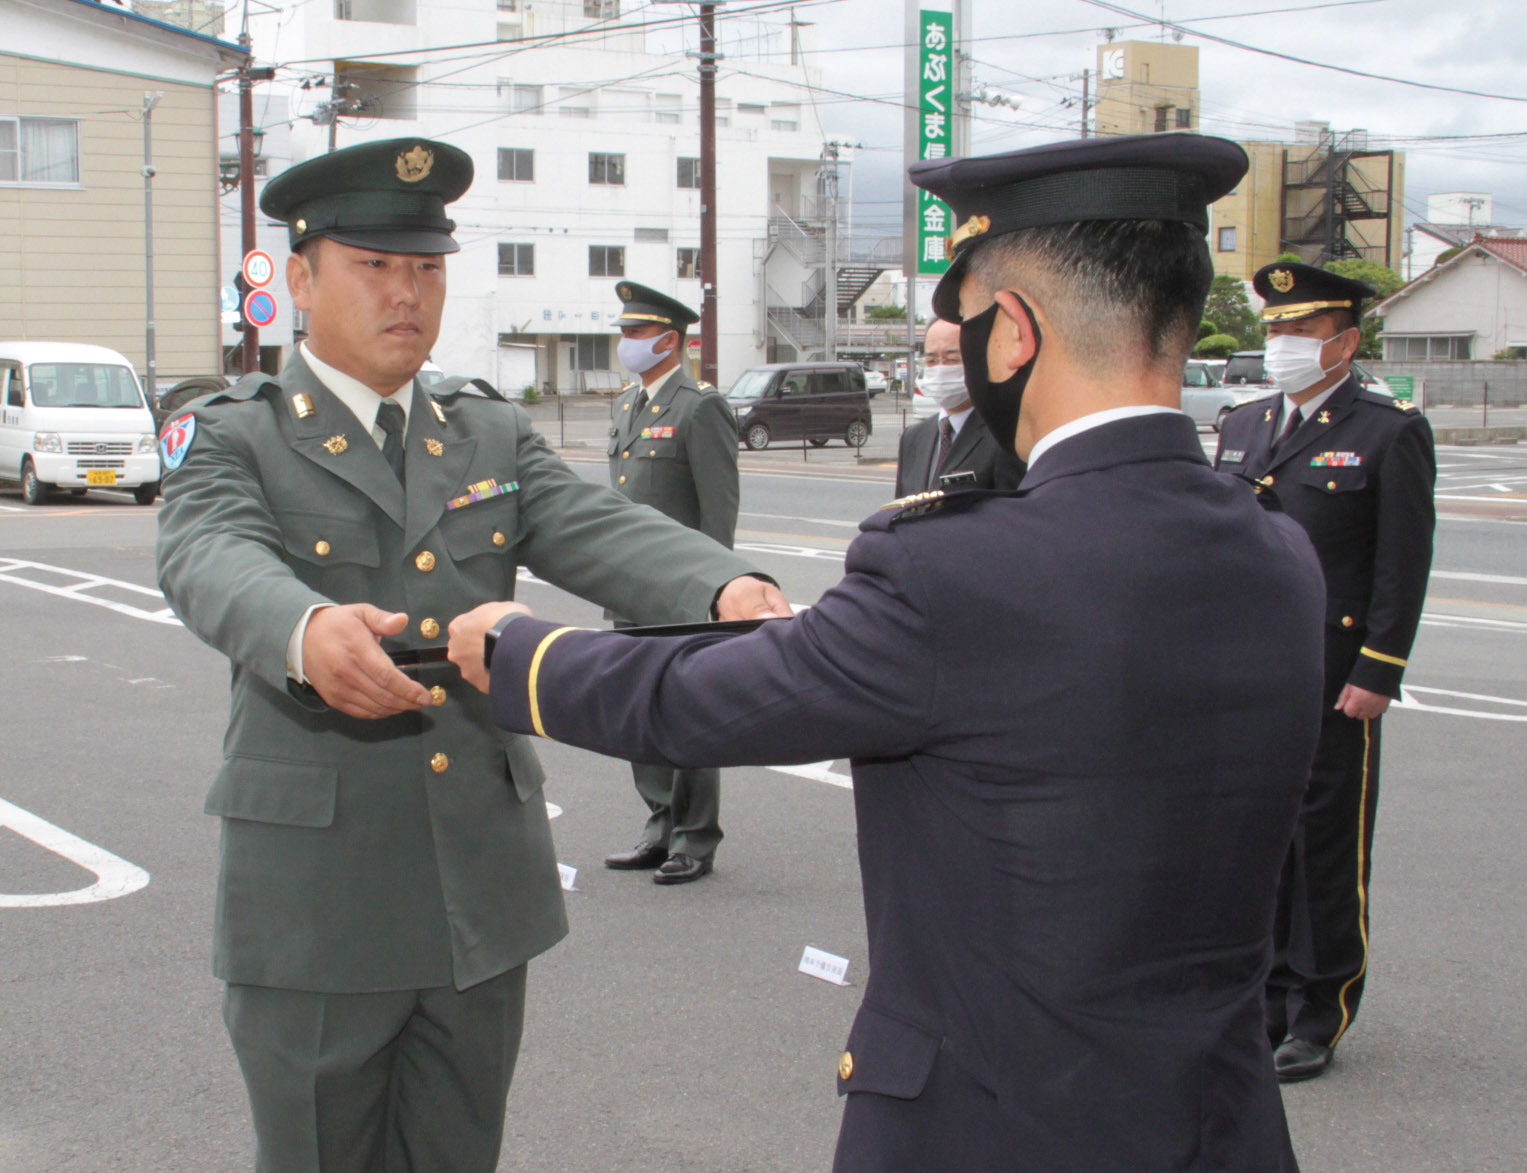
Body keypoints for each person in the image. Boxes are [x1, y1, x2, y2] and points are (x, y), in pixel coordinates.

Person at [450, 132, 1326, 1171]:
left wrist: (521, 652)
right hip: (1217, 1125)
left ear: (1014, 336)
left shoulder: (963, 571)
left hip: (992, 1129)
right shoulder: (1277, 547)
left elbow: (699, 702)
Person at [154, 137, 787, 1173]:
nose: (408, 294)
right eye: (376, 267)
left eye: (428, 269)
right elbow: (208, 553)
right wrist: (303, 630)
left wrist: (722, 588)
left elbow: (598, 525)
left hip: (478, 898)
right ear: (303, 278)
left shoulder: (483, 431)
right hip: (318, 903)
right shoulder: (235, 433)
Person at [1214, 261, 1436, 1082]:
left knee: (1324, 846)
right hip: (1249, 675)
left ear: (1343, 340)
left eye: (1297, 332)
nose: (1280, 346)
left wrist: (1379, 667)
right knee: (1255, 840)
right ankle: (1261, 997)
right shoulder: (1243, 423)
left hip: (1334, 673)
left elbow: (1400, 563)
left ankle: (1318, 1006)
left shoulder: (1387, 428)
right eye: (1272, 331)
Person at [602, 281, 739, 884]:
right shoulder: (627, 404)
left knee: (688, 713)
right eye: (624, 333)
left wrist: (715, 588)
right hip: (631, 586)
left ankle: (695, 838)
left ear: (670, 340)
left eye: (637, 333)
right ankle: (658, 826)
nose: (627, 343)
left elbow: (718, 511)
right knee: (640, 713)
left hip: (683, 591)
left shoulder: (700, 405)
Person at [894, 317, 1024, 496]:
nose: (941, 369)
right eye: (932, 361)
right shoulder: (913, 437)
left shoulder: (1005, 437)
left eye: (953, 359)